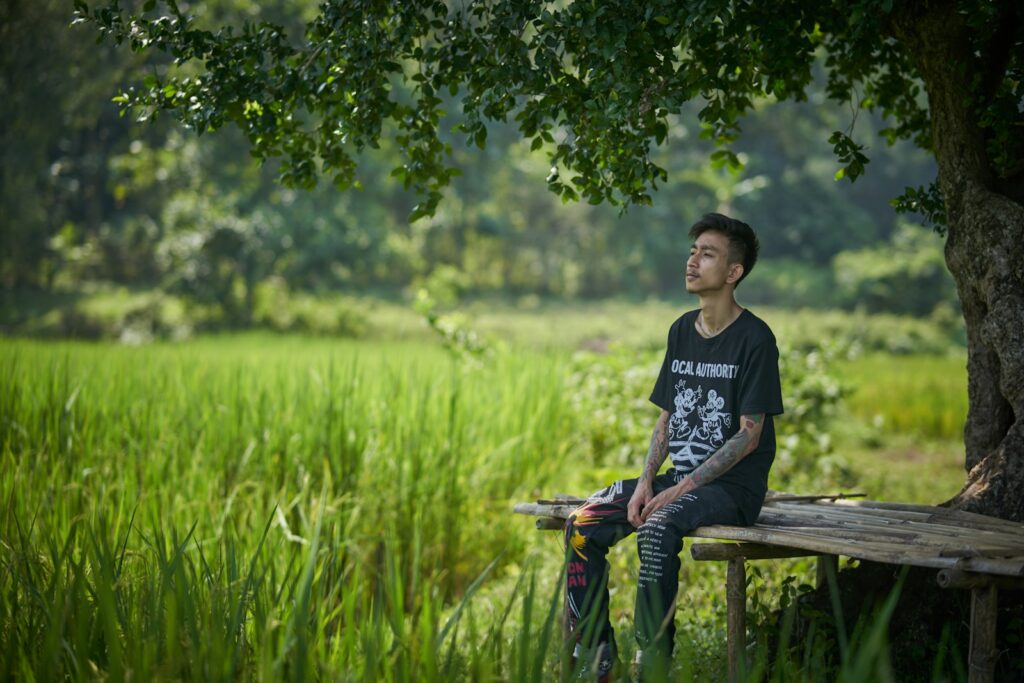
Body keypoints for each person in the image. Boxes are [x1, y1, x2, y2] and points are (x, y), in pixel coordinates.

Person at [564, 213, 784, 680]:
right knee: (582, 523)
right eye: (692, 250)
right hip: (677, 482)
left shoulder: (755, 339)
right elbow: (666, 418)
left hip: (731, 489)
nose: (692, 260)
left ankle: (653, 663)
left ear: (733, 272)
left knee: (658, 527)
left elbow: (750, 434)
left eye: (707, 253)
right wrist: (647, 481)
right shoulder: (682, 330)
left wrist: (678, 490)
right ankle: (597, 657)